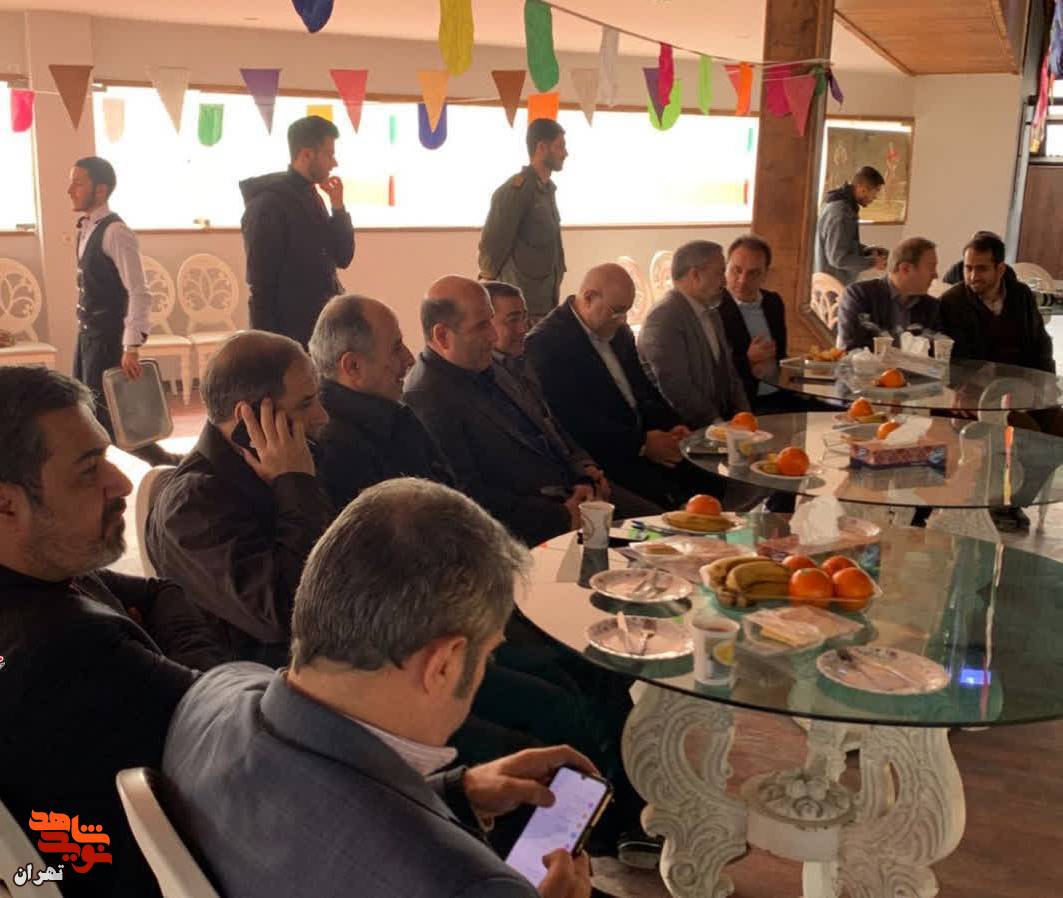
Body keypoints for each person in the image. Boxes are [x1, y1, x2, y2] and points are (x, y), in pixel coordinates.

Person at [163, 479, 594, 898]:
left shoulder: (214, 692)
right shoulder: (471, 883)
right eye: (488, 655)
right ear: (443, 665)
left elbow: (316, 828)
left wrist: (453, 796)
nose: (486, 670)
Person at [0, 367, 224, 898]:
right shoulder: (71, 647)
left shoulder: (45, 566)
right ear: (6, 504)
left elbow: (159, 591)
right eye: (88, 470)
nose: (121, 483)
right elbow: (230, 720)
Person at [146, 331, 334, 666]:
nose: (322, 416)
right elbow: (290, 613)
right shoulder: (190, 505)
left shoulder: (283, 464)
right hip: (257, 684)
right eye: (305, 403)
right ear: (250, 418)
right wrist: (295, 484)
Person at [404, 276, 609, 547]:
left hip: (570, 497)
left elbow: (544, 428)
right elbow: (466, 498)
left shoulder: (484, 366)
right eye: (481, 326)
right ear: (442, 336)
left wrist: (581, 477)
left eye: (491, 320)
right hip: (527, 534)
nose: (493, 335)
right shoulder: (427, 397)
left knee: (649, 543)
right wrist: (562, 515)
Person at [525, 263, 729, 511]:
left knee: (714, 478)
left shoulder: (619, 333)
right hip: (605, 456)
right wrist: (642, 444)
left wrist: (671, 426)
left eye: (627, 311)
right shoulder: (546, 342)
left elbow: (643, 390)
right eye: (617, 311)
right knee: (665, 503)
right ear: (589, 298)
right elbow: (573, 420)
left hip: (641, 438)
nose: (623, 320)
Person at [485, 280, 660, 517]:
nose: (523, 328)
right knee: (651, 521)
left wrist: (586, 468)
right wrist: (576, 484)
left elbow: (555, 427)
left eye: (524, 317)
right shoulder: (491, 374)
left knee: (657, 516)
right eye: (512, 320)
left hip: (578, 475)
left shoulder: (522, 361)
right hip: (550, 494)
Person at [939, 232, 1062, 531]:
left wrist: (1047, 385)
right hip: (979, 395)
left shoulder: (1020, 296)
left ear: (1000, 269)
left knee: (1058, 430)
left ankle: (1015, 499)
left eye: (981, 268)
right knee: (1028, 434)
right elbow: (954, 364)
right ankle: (1002, 503)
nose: (972, 276)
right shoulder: (953, 302)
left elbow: (1040, 344)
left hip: (1025, 388)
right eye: (968, 268)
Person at [68, 156, 176, 466]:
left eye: (78, 183)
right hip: (88, 337)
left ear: (100, 190)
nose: (70, 190)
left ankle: (167, 464)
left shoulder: (116, 232)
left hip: (108, 339)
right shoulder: (86, 228)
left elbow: (138, 292)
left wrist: (131, 346)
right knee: (89, 411)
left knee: (111, 417)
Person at [311, 293, 455, 508]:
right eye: (396, 348)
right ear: (353, 366)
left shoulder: (393, 412)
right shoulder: (336, 450)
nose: (409, 358)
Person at [240, 115, 355, 347]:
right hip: (289, 333)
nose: (334, 163)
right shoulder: (267, 205)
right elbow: (261, 285)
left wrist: (338, 207)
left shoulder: (313, 197)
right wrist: (266, 347)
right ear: (306, 154)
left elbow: (343, 256)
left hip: (322, 326)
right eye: (329, 154)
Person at [638, 241, 751, 428]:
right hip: (686, 433)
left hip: (725, 428)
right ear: (695, 275)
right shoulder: (663, 318)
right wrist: (717, 425)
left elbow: (730, 374)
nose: (724, 282)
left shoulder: (712, 313)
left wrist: (744, 417)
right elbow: (676, 387)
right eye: (719, 273)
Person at [478, 120, 567, 321]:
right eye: (560, 146)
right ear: (541, 148)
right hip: (521, 308)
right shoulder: (516, 191)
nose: (565, 153)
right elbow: (492, 246)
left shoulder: (547, 190)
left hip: (545, 302)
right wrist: (489, 294)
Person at [716, 235, 793, 412]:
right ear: (725, 268)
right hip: (741, 403)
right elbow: (711, 371)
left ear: (766, 274)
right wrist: (748, 360)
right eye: (736, 270)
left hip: (781, 395)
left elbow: (781, 355)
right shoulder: (714, 309)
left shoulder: (773, 302)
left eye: (753, 273)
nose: (743, 280)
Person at [836, 237, 941, 352]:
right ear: (905, 269)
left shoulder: (931, 306)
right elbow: (852, 349)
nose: (936, 275)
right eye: (931, 267)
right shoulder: (859, 295)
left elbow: (936, 354)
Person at [815, 165, 889, 286]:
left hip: (827, 283)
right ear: (863, 189)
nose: (875, 198)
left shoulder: (837, 204)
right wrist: (873, 262)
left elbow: (842, 244)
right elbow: (838, 258)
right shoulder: (841, 213)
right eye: (875, 192)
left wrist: (866, 251)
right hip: (833, 286)